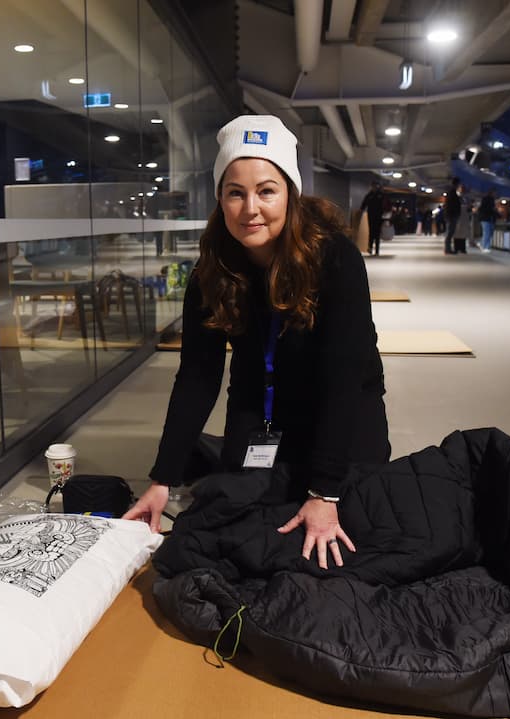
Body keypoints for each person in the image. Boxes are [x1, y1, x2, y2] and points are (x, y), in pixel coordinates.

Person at [123, 115, 390, 569]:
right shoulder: (212, 270)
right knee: (240, 516)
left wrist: (325, 492)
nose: (251, 208)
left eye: (266, 191)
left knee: (346, 530)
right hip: (261, 411)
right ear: (220, 199)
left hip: (344, 413)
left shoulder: (335, 258)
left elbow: (343, 380)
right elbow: (198, 377)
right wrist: (162, 479)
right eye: (235, 192)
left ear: (290, 194)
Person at [360, 180, 386, 255]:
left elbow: (385, 205)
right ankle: (370, 247)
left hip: (379, 216)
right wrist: (361, 209)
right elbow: (364, 204)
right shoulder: (369, 195)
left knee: (377, 233)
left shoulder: (381, 195)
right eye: (373, 186)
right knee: (371, 232)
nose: (374, 188)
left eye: (375, 186)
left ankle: (377, 250)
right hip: (371, 215)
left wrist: (384, 213)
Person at [442, 177, 462, 254]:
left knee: (450, 232)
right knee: (450, 232)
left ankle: (448, 248)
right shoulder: (452, 193)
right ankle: (447, 249)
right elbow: (453, 205)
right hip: (451, 215)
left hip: (450, 215)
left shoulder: (451, 192)